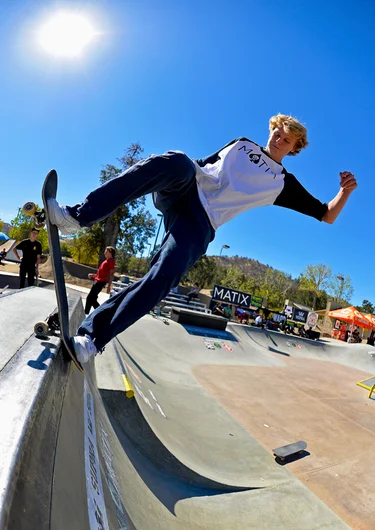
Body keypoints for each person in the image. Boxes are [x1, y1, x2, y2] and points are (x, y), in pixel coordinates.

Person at [45, 113, 357, 363]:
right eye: (278, 133)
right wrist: (175, 173)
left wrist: (343, 192)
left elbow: (326, 214)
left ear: (294, 148)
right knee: (178, 160)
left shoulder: (284, 183)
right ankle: (76, 217)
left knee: (162, 278)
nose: (279, 141)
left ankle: (92, 339)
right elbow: (207, 166)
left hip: (201, 222)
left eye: (287, 141)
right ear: (271, 130)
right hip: (186, 187)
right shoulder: (241, 143)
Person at [85, 246, 116, 315]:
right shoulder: (106, 261)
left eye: (106, 251)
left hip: (100, 283)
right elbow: (100, 274)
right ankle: (101, 314)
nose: (104, 253)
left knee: (90, 298)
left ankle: (86, 313)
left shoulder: (110, 261)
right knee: (92, 299)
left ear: (110, 252)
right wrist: (93, 275)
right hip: (98, 281)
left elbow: (111, 274)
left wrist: (109, 286)